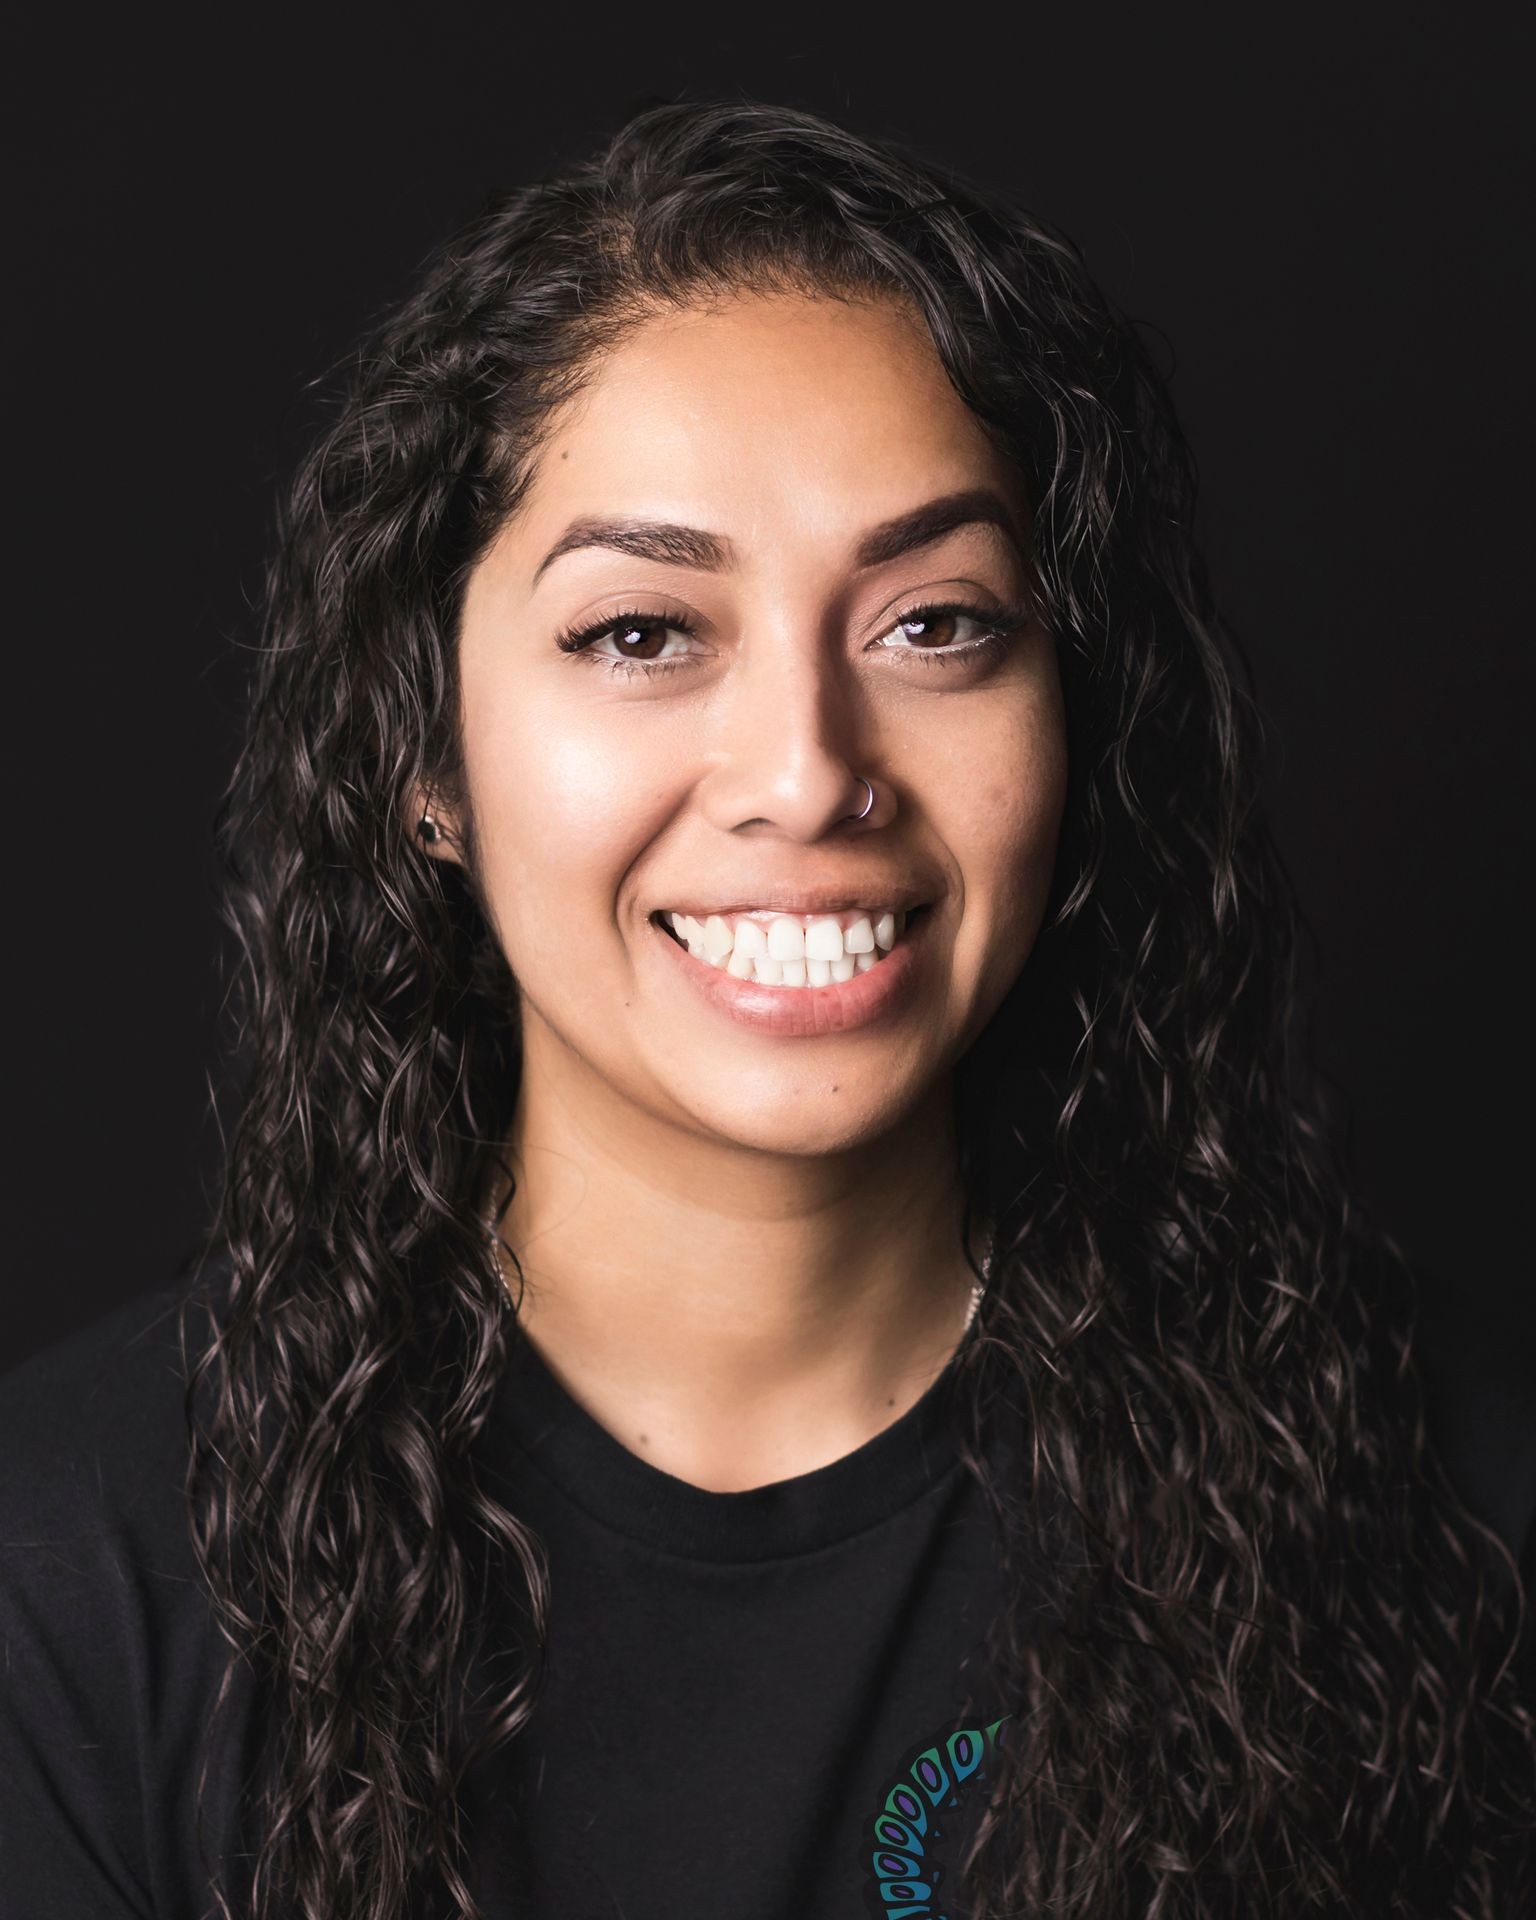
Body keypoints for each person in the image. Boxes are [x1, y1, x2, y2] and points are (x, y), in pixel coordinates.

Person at [2, 97, 1532, 1920]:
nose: (808, 776)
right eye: (643, 633)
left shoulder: (1453, 1499)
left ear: (1077, 722)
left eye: (935, 623)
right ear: (425, 756)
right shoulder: (70, 1578)